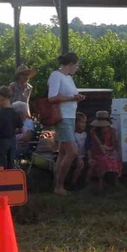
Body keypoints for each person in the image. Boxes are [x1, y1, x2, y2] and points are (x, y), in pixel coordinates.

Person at [47, 52, 86, 196]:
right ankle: (59, 186)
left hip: (70, 117)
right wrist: (72, 98)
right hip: (62, 118)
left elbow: (70, 97)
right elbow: (52, 97)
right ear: (70, 64)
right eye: (77, 65)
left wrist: (77, 98)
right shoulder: (56, 76)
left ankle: (57, 184)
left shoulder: (68, 78)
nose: (77, 67)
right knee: (72, 151)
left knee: (63, 153)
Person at [88, 110, 122, 190]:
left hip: (109, 152)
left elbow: (113, 145)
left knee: (114, 160)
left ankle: (115, 181)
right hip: (97, 153)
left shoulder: (112, 131)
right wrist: (104, 149)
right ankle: (100, 182)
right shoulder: (93, 131)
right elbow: (99, 145)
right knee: (104, 161)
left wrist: (108, 148)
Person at [70, 112, 88, 187]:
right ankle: (73, 183)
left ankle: (85, 182)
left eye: (85, 122)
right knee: (80, 165)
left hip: (83, 155)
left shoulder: (85, 134)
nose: (84, 124)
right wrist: (78, 158)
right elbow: (74, 148)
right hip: (75, 156)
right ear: (76, 123)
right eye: (81, 122)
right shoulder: (73, 135)